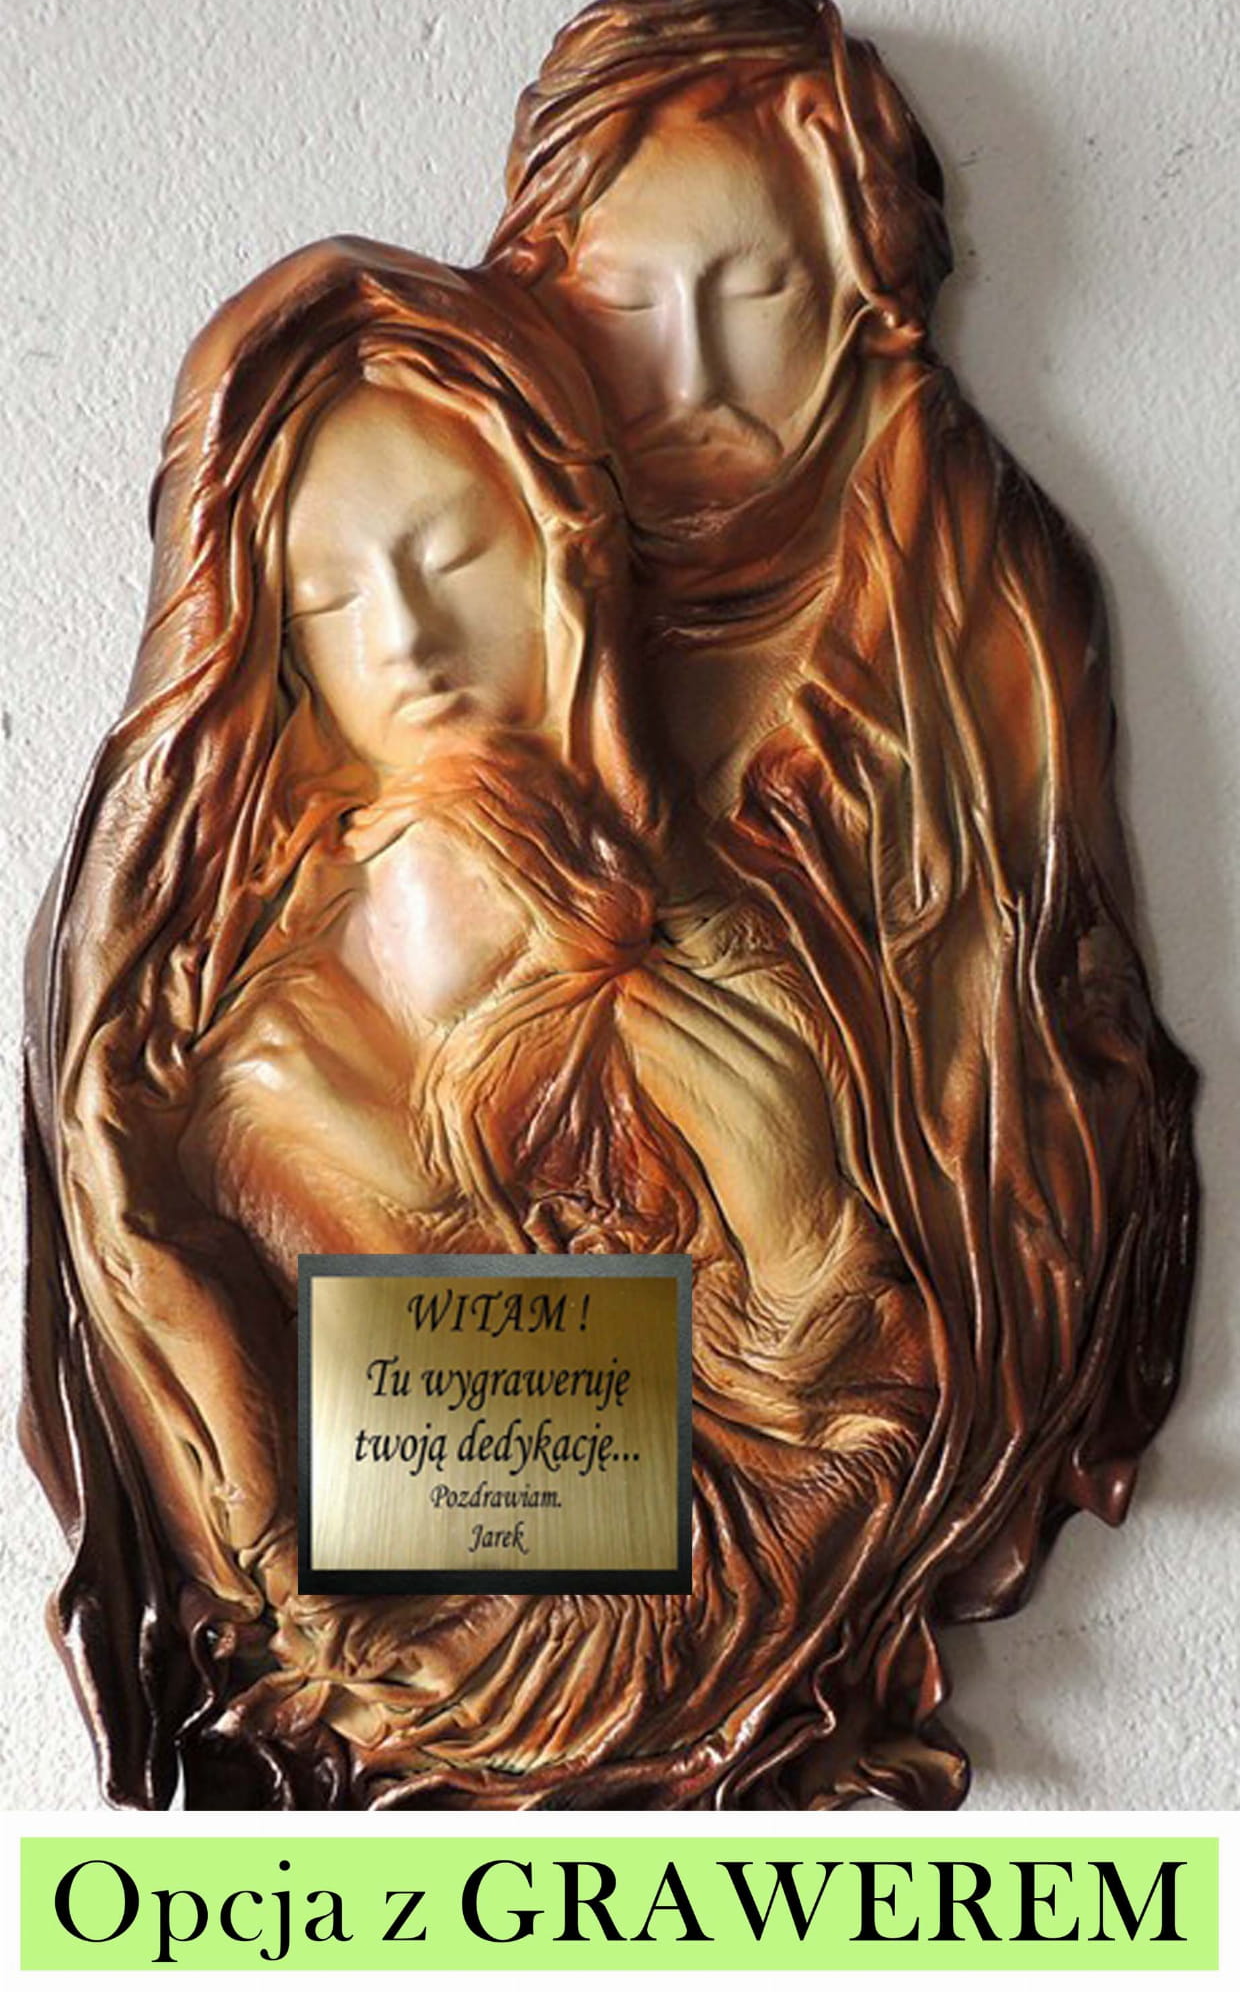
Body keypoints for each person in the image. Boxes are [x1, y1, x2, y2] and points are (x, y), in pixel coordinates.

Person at [24, 237, 934, 1809]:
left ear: (569, 560)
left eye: (455, 561)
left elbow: (868, 1438)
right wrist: (792, 1291)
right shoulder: (260, 1069)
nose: (412, 643)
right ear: (275, 645)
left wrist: (803, 1237)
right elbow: (417, 1599)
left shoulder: (746, 945)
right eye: (334, 597)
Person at [488, 0, 1198, 1804]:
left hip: (864, 1390)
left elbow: (1047, 1113)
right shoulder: (431, 577)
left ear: (870, 305)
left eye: (759, 295)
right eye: (630, 303)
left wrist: (814, 1226)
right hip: (491, 1430)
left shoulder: (980, 615)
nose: (693, 376)